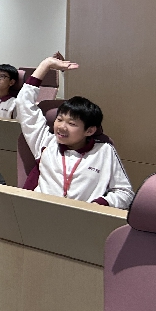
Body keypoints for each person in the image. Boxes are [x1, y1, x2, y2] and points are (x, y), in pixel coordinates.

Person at [17, 54, 134, 208]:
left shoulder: (104, 151)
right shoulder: (46, 143)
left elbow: (125, 193)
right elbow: (23, 103)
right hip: (41, 212)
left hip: (84, 217)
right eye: (59, 119)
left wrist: (101, 203)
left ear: (89, 130)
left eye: (71, 123)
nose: (61, 127)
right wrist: (46, 65)